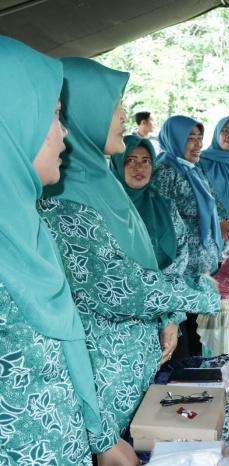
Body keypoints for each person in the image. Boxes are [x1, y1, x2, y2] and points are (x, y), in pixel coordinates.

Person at [38, 58, 220, 461]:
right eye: (114, 105)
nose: (124, 115)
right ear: (84, 111)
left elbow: (145, 265)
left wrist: (167, 315)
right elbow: (117, 287)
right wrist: (197, 294)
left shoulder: (102, 183)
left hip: (129, 393)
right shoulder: (64, 197)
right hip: (96, 409)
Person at [0, 35, 103, 466]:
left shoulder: (25, 227)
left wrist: (100, 438)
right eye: (55, 115)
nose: (65, 133)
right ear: (15, 121)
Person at [110, 135, 222, 359]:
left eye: (146, 161)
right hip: (125, 324)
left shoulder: (164, 205)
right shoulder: (108, 208)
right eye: (130, 160)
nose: (139, 168)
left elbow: (180, 259)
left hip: (167, 315)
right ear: (117, 164)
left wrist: (171, 319)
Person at [152, 115, 226, 356]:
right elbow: (164, 227)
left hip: (198, 270)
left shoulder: (191, 169)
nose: (197, 144)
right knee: (182, 338)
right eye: (190, 138)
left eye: (199, 138)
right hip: (182, 272)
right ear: (174, 139)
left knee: (195, 335)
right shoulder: (166, 171)